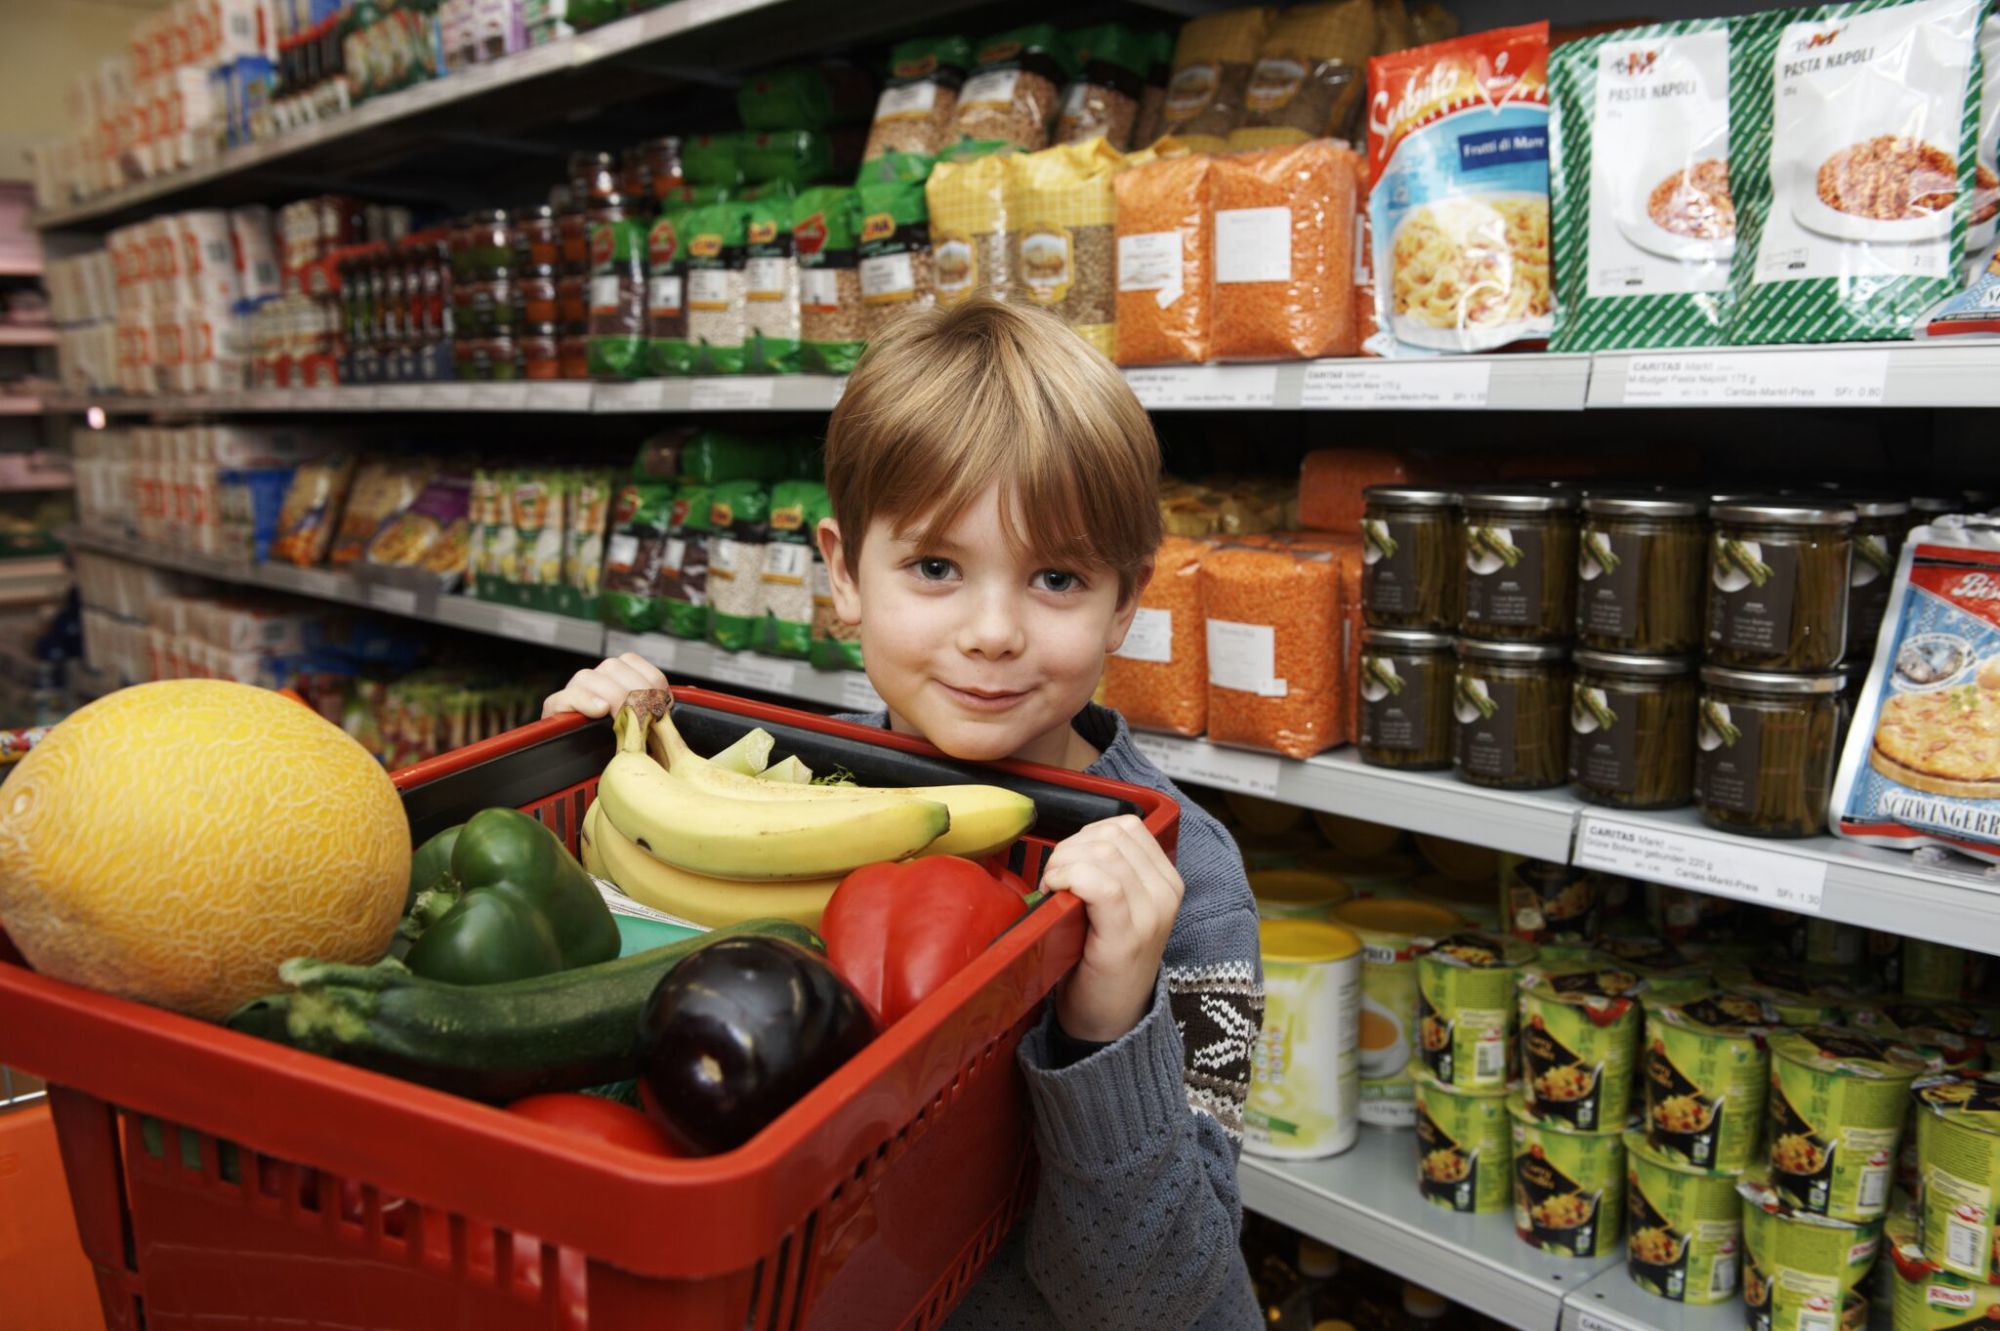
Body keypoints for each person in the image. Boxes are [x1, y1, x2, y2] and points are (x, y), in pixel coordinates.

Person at [544, 299, 1264, 1330]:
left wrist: (1109, 1027)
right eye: (935, 566)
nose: (992, 631)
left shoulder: (1185, 880)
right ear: (843, 573)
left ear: (1124, 601)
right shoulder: (778, 796)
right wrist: (596, 777)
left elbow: (1170, 1305)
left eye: (1056, 576)